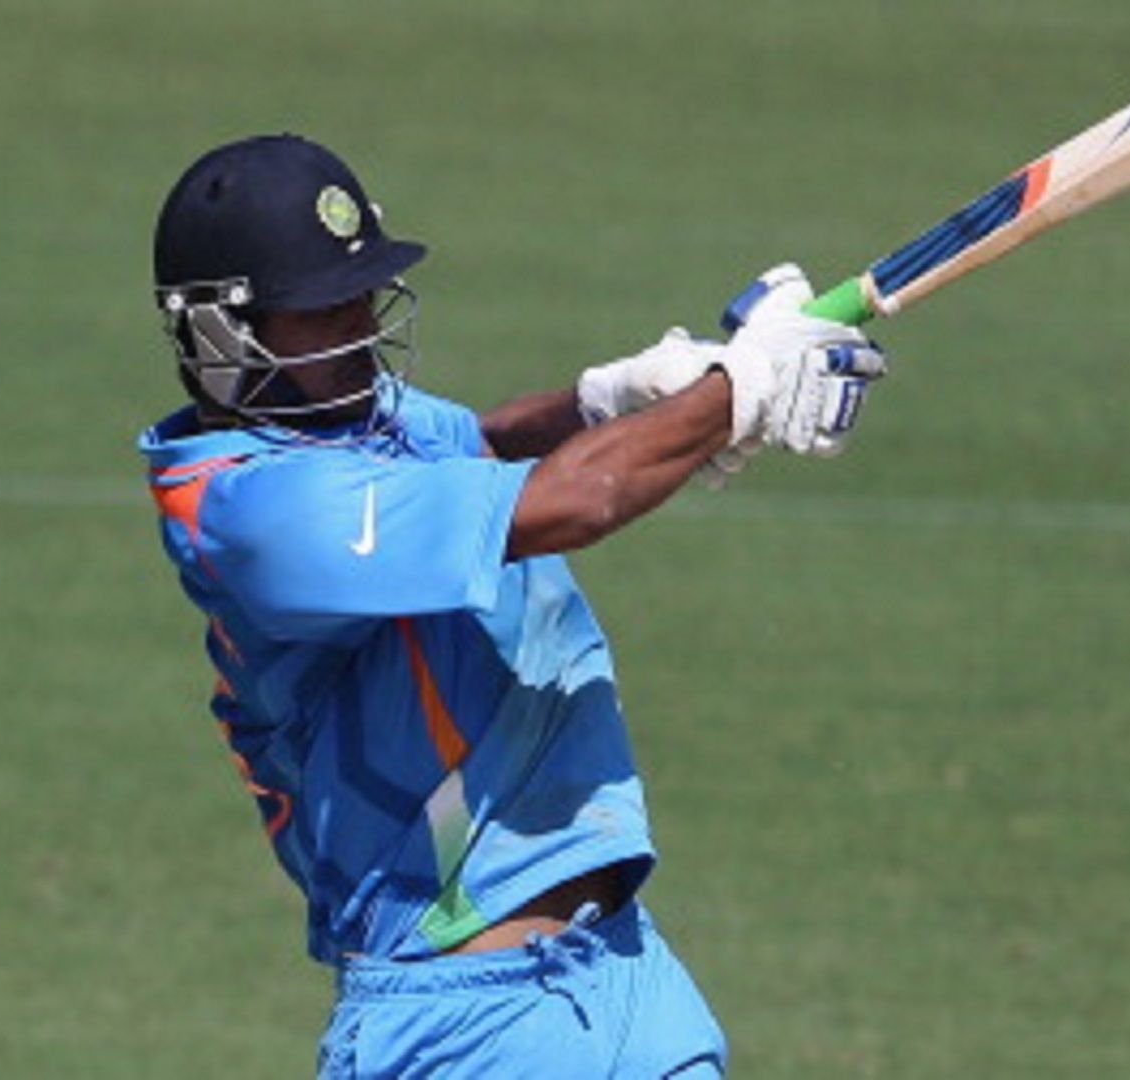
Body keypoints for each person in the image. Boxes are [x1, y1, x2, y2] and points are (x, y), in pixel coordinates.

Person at [137, 133, 889, 1078]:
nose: (360, 327)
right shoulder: (252, 515)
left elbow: (480, 447)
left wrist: (612, 397)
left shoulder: (360, 420)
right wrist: (740, 389)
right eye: (321, 310)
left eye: (363, 294)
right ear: (219, 336)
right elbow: (577, 501)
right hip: (463, 1027)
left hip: (624, 975)